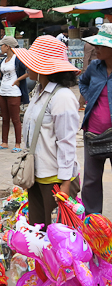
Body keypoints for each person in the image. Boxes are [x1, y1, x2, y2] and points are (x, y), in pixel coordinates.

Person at [13, 36, 81, 228]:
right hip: (37, 176)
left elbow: (67, 142)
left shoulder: (62, 98)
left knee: (57, 237)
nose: (26, 65)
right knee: (38, 233)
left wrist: (66, 184)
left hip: (56, 180)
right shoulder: (39, 93)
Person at [79, 24, 112, 215]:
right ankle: (92, 223)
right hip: (92, 132)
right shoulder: (94, 67)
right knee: (91, 181)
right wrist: (90, 96)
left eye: (101, 46)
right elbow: (83, 82)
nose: (96, 49)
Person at [0, 36, 29, 152]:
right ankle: (4, 142)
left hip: (14, 92)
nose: (0, 47)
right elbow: (1, 76)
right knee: (5, 119)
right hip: (3, 92)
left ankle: (18, 144)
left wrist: (17, 80)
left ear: (8, 46)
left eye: (2, 45)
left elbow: (29, 71)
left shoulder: (18, 59)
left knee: (15, 119)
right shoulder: (4, 60)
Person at [79, 27, 99, 111]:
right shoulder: (89, 45)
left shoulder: (94, 43)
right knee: (88, 85)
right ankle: (80, 104)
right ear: (94, 34)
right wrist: (85, 70)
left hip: (96, 68)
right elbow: (86, 58)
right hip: (91, 68)